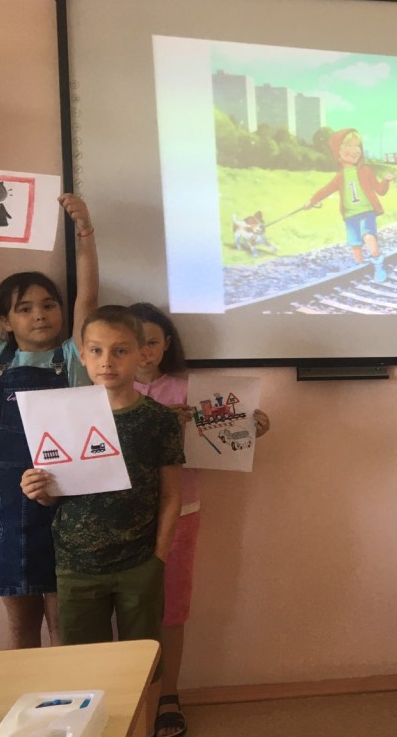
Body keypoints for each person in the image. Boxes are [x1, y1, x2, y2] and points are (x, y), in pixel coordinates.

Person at [20, 304, 184, 732]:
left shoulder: (158, 421)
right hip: (77, 566)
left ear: (141, 355)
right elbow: (53, 495)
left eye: (120, 350)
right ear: (83, 355)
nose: (107, 361)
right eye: (96, 350)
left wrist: (158, 559)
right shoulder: (61, 415)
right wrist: (38, 490)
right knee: (82, 668)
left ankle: (143, 728)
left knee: (143, 664)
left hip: (139, 565)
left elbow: (172, 495)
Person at [0, 194, 98, 649]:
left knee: (63, 624)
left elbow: (88, 295)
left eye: (49, 304)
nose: (40, 314)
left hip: (65, 507)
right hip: (6, 511)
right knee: (20, 626)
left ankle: (69, 693)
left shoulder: (75, 355)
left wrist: (85, 232)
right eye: (25, 308)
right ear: (6, 321)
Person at [129, 302, 271, 737]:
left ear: (166, 344)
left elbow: (225, 435)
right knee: (126, 607)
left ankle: (168, 695)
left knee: (172, 608)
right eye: (133, 343)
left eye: (152, 342)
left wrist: (250, 426)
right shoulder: (106, 392)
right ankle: (131, 696)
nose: (144, 351)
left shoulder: (191, 390)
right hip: (120, 517)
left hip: (181, 511)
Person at [306, 127, 394, 282]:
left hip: (366, 211)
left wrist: (386, 181)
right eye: (348, 146)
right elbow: (326, 190)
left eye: (357, 146)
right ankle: (359, 267)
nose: (354, 150)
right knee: (355, 243)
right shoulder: (340, 176)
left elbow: (380, 190)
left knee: (368, 236)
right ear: (337, 152)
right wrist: (312, 200)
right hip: (349, 214)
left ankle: (378, 265)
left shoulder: (365, 171)